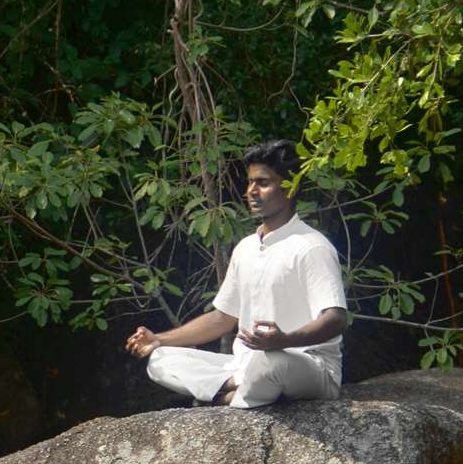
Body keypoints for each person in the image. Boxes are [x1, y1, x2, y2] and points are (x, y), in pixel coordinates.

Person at [124, 139, 348, 407]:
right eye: (250, 182)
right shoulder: (246, 248)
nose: (251, 191)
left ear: (291, 187)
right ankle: (233, 392)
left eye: (263, 183)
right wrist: (159, 339)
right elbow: (223, 318)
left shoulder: (311, 246)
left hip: (306, 365)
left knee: (270, 365)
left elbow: (336, 318)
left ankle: (222, 395)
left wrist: (284, 340)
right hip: (245, 366)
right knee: (160, 359)